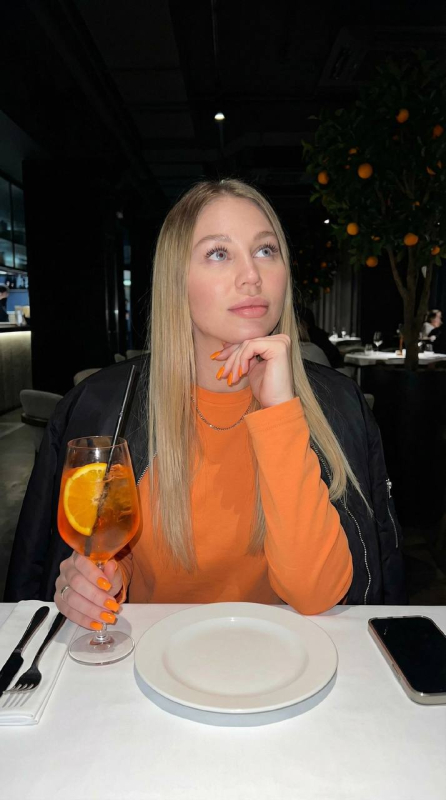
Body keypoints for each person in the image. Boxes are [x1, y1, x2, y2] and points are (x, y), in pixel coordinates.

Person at [5, 179, 406, 629]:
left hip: (287, 655)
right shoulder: (102, 405)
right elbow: (109, 552)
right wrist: (100, 581)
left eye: (265, 250)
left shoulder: (339, 404)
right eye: (219, 253)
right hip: (148, 656)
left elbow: (316, 594)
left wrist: (279, 413)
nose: (251, 275)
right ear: (177, 280)